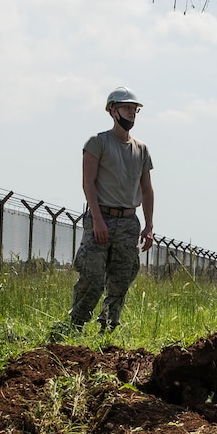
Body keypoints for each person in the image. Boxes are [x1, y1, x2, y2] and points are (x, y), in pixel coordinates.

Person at [68, 86, 156, 333]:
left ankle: (108, 327)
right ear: (112, 111)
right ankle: (76, 324)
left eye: (135, 109)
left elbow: (147, 189)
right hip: (101, 217)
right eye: (127, 108)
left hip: (129, 222)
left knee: (121, 278)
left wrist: (149, 226)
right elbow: (88, 182)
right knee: (92, 276)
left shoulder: (142, 149)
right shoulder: (98, 142)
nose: (132, 113)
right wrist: (97, 220)